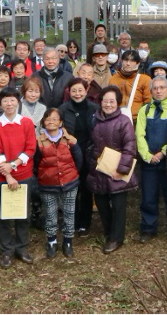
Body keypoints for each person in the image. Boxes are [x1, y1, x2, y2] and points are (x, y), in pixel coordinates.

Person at [0, 86, 37, 267]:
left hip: (23, 174)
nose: (9, 103)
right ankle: (6, 250)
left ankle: (22, 248)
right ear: (0, 103)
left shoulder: (26, 123)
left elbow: (31, 148)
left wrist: (14, 165)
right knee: (4, 214)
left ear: (18, 101)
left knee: (23, 212)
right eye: (5, 100)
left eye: (12, 100)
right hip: (1, 176)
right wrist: (8, 174)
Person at [88, 86, 139, 254]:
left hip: (117, 168)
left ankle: (116, 238)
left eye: (112, 101)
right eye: (105, 101)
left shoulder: (124, 121)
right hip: (99, 167)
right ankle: (109, 231)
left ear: (117, 103)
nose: (108, 104)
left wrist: (122, 169)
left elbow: (130, 146)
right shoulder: (94, 118)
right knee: (101, 202)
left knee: (118, 205)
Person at [136, 77, 167, 243]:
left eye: (162, 87)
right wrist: (147, 156)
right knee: (148, 196)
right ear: (151, 91)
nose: (158, 91)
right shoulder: (144, 110)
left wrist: (163, 153)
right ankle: (148, 228)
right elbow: (139, 135)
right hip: (149, 162)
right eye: (155, 88)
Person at [36, 107, 83, 258]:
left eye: (55, 119)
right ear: (43, 122)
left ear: (61, 122)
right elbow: (35, 163)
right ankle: (51, 242)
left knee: (69, 213)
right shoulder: (39, 142)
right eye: (48, 119)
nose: (51, 122)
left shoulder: (70, 140)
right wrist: (43, 176)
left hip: (70, 182)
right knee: (50, 214)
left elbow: (79, 159)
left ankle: (68, 242)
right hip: (48, 184)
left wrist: (73, 173)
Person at [59, 77, 98, 236]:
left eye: (80, 90)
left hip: (88, 152)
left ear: (86, 90)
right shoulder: (63, 109)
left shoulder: (95, 108)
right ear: (69, 91)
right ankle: (71, 221)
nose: (77, 93)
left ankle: (85, 222)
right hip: (70, 153)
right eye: (74, 90)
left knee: (86, 188)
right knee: (71, 189)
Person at [108, 49, 151, 117]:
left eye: (132, 61)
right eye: (126, 60)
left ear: (138, 63)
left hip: (137, 119)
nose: (128, 63)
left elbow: (148, 102)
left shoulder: (145, 79)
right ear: (122, 61)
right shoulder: (113, 79)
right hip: (116, 117)